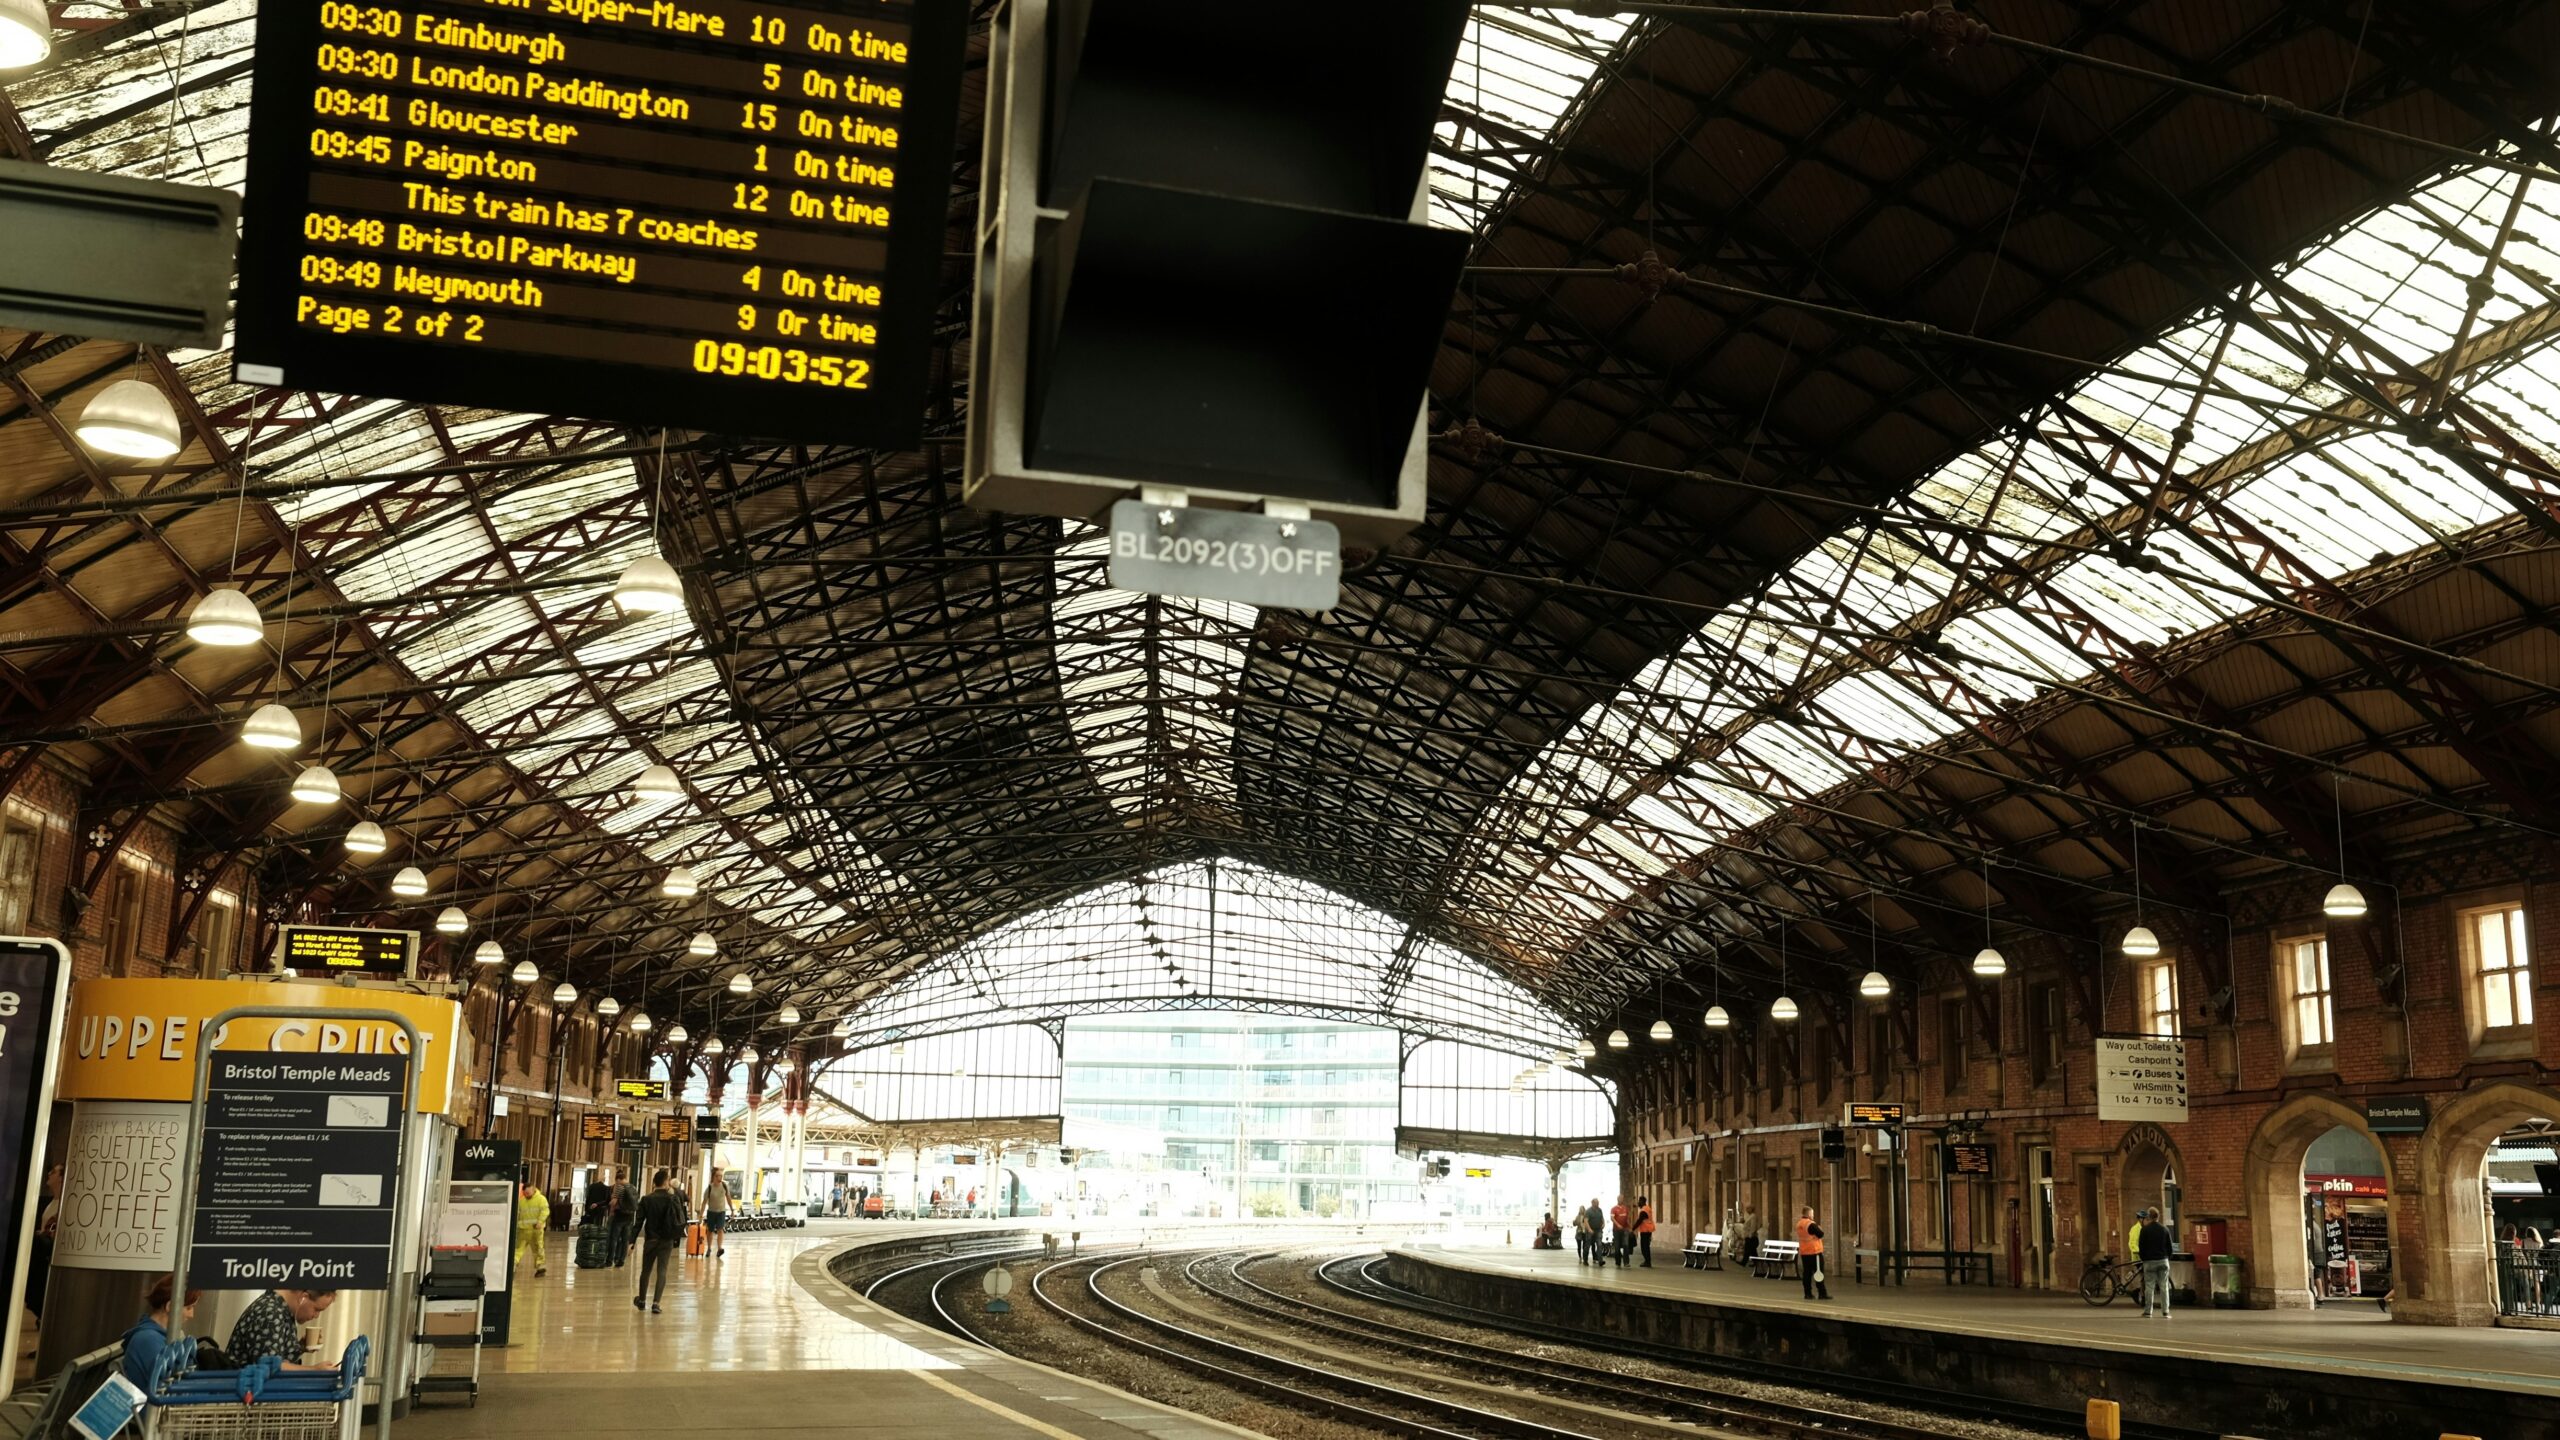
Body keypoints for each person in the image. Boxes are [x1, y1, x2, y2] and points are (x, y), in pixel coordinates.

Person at [120, 1277, 202, 1391]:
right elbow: (173, 1388)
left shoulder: (158, 1337)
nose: (191, 1315)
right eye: (189, 1308)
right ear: (170, 1306)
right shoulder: (148, 1340)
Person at [228, 1287, 339, 1370]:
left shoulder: (282, 1311)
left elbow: (276, 1358)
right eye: (316, 1309)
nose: (316, 1316)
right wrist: (315, 1370)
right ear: (303, 1297)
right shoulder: (271, 1313)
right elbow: (270, 1366)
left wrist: (300, 1347)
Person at [633, 1167, 689, 1314]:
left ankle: (642, 1300)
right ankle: (656, 1303)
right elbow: (681, 1217)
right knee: (662, 1270)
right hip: (667, 1240)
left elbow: (638, 1222)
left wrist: (630, 1241)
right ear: (666, 1182)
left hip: (651, 1239)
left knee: (646, 1270)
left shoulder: (646, 1199)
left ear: (654, 1183)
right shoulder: (673, 1198)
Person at [2136, 1207, 2175, 1318]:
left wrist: (2144, 1259)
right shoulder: (2165, 1229)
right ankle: (2166, 1311)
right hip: (2163, 1260)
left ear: (2149, 1216)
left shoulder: (2145, 1230)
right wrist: (2167, 1258)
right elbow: (2170, 1247)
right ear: (2158, 1216)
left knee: (2149, 1286)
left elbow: (2141, 1247)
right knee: (2164, 1286)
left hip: (2149, 1261)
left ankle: (2148, 1311)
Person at [515, 1179, 551, 1277]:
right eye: (525, 1193)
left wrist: (540, 1222)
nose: (527, 1195)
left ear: (533, 1189)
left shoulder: (541, 1199)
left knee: (538, 1249)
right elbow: (517, 1214)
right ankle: (513, 1265)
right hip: (523, 1230)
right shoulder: (521, 1201)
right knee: (518, 1249)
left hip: (536, 1230)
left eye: (528, 1192)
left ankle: (540, 1267)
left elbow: (545, 1211)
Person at [1795, 1204, 1831, 1300]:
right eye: (1812, 1213)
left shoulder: (1799, 1224)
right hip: (1815, 1252)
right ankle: (1822, 1293)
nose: (1813, 1215)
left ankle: (1807, 1293)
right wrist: (1819, 1229)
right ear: (1809, 1214)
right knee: (1819, 1273)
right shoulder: (1810, 1224)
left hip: (1804, 1252)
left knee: (1806, 1273)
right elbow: (1821, 1234)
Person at [610, 1171, 641, 1265]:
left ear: (618, 1179)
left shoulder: (620, 1187)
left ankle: (610, 1259)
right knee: (625, 1239)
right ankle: (621, 1260)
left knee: (614, 1238)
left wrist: (611, 1207)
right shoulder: (633, 1187)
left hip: (620, 1215)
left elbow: (614, 1202)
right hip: (630, 1216)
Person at [701, 1172, 731, 1257]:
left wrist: (732, 1209)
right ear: (714, 1177)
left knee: (720, 1229)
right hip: (711, 1212)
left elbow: (728, 1198)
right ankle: (709, 1248)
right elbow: (704, 1202)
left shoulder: (724, 1186)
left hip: (721, 1212)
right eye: (718, 1176)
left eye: (721, 1176)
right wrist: (701, 1214)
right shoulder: (710, 1188)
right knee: (710, 1230)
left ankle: (719, 1248)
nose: (720, 1178)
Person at [1634, 1195, 1657, 1268]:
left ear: (1642, 1201)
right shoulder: (1647, 1208)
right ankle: (1647, 1261)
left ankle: (1647, 1262)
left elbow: (1639, 1221)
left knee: (1644, 1247)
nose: (1638, 1203)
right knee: (1646, 1246)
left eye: (1639, 1201)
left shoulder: (1643, 1211)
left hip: (1645, 1230)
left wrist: (1633, 1228)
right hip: (1648, 1230)